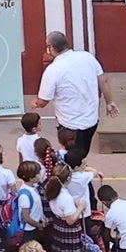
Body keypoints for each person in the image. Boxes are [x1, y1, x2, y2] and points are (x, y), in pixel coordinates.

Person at [40, 27, 107, 163]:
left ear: (51, 48)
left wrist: (35, 103)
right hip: (91, 121)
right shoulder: (87, 57)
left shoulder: (53, 70)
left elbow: (43, 101)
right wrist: (110, 102)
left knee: (72, 158)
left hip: (69, 125)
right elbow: (103, 80)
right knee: (82, 154)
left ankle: (77, 178)